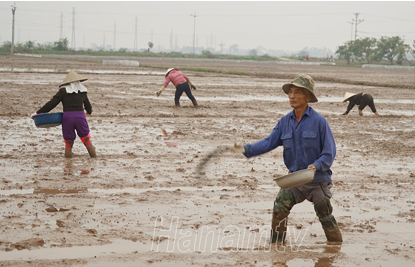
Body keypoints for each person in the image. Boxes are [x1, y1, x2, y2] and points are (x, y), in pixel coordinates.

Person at [227, 74, 342, 243]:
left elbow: (329, 152)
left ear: (308, 97)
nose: (292, 96)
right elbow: (268, 143)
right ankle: (277, 245)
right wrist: (246, 149)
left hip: (317, 180)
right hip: (295, 179)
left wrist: (316, 165)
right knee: (279, 208)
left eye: (297, 92)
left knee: (325, 214)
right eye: (290, 92)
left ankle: (335, 247)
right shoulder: (284, 122)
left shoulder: (320, 122)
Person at [33, 70, 97, 158]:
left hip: (67, 118)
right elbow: (88, 106)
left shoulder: (63, 91)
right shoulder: (82, 91)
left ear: (67, 83)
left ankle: (68, 166)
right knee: (87, 140)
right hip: (80, 117)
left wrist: (38, 112)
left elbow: (52, 103)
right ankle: (94, 162)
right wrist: (89, 112)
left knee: (68, 143)